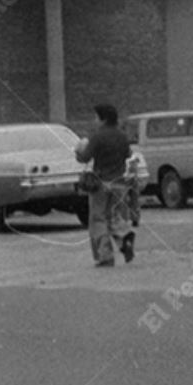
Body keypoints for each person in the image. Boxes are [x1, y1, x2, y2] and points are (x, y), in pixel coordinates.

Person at [74, 103, 134, 268]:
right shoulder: (122, 136)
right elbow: (129, 154)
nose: (95, 120)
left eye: (96, 117)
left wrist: (78, 151)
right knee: (114, 217)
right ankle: (125, 238)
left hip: (101, 184)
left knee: (98, 219)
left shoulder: (98, 137)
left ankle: (105, 256)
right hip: (120, 183)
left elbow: (85, 157)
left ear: (103, 119)